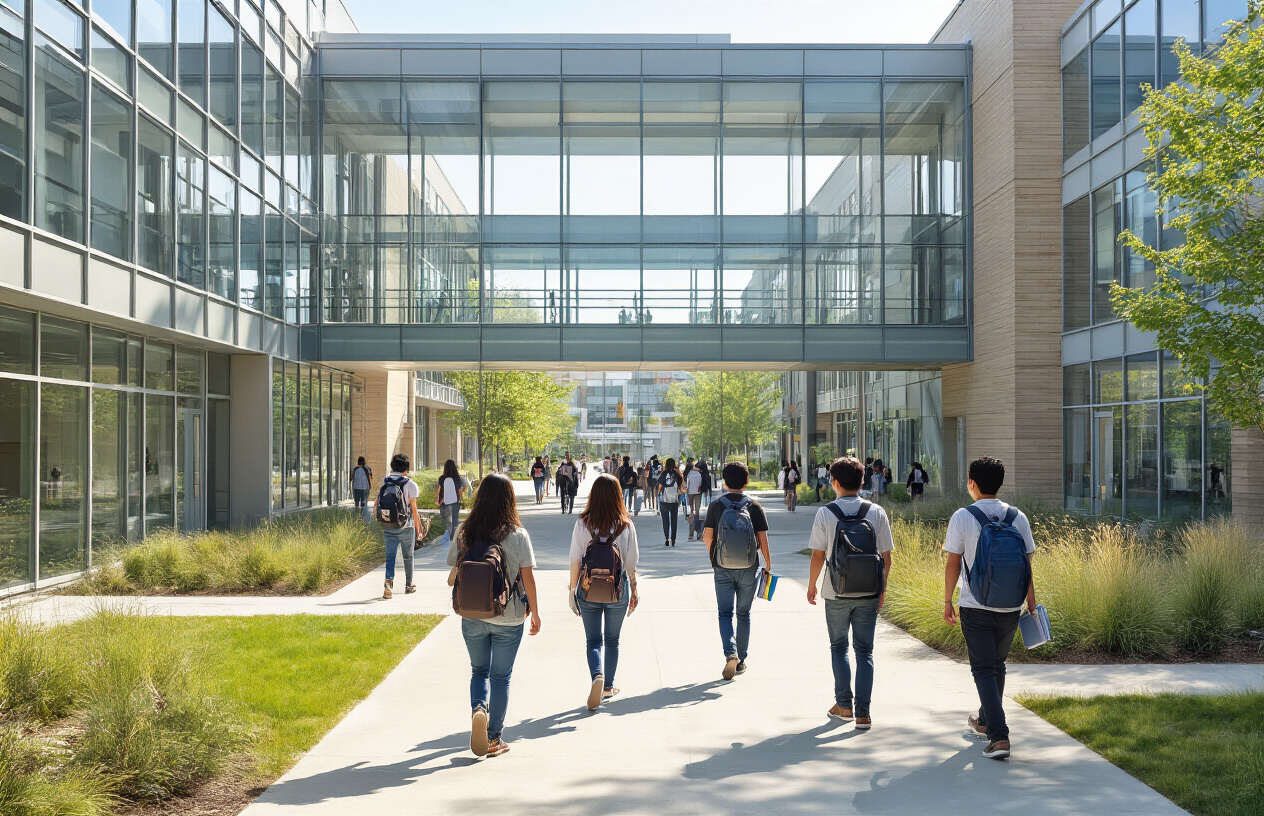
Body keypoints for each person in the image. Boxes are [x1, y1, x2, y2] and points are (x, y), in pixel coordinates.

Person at [943, 456, 1038, 761]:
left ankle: (999, 736)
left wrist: (947, 600)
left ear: (972, 483)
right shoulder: (1017, 517)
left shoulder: (963, 516)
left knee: (983, 668)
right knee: (996, 666)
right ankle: (985, 721)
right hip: (1011, 605)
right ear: (1000, 483)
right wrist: (1031, 602)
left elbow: (953, 562)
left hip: (975, 604)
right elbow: (1026, 563)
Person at [447, 473, 541, 757]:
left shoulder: (465, 530)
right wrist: (535, 613)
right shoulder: (518, 535)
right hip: (509, 616)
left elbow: (452, 577)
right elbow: (529, 580)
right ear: (509, 499)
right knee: (501, 677)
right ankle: (493, 739)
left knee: (479, 671)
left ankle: (479, 707)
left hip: (472, 614)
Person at [806, 456, 895, 730]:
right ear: (862, 481)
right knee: (865, 652)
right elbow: (886, 557)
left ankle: (844, 704)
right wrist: (881, 588)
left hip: (836, 592)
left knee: (839, 647)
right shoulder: (876, 512)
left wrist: (812, 585)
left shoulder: (826, 512)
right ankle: (863, 714)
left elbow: (818, 556)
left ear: (833, 482)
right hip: (869, 591)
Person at [569, 473, 640, 709]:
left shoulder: (582, 523)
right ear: (617, 495)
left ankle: (596, 676)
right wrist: (635, 590)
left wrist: (572, 591)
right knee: (612, 640)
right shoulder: (625, 524)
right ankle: (608, 686)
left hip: (588, 589)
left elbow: (575, 559)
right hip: (617, 590)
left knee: (593, 641)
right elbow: (631, 562)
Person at [702, 461, 771, 680]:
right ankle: (741, 660)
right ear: (746, 480)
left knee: (724, 613)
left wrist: (715, 557)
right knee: (743, 614)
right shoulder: (754, 505)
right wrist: (768, 564)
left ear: (724, 481)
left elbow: (707, 537)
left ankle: (730, 652)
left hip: (722, 566)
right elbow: (762, 539)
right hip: (748, 567)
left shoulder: (716, 505)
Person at [377, 453, 421, 599]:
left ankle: (388, 585)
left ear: (392, 466)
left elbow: (377, 505)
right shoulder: (410, 484)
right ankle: (409, 585)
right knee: (408, 556)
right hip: (405, 526)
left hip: (388, 526)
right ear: (406, 469)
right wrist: (419, 529)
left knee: (390, 557)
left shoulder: (385, 482)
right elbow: (414, 510)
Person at [657, 457, 683, 546]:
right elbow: (681, 482)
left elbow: (659, 486)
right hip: (674, 500)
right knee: (674, 520)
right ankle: (673, 539)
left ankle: (666, 538)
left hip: (664, 500)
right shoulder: (676, 474)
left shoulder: (663, 473)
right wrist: (677, 470)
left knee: (665, 520)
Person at [436, 459, 464, 541]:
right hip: (455, 502)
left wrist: (437, 500)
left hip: (444, 502)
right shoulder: (457, 478)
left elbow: (439, 490)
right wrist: (460, 499)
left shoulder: (442, 478)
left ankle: (447, 536)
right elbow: (459, 491)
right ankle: (453, 537)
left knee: (445, 520)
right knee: (455, 519)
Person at [685, 459, 704, 541]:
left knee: (691, 513)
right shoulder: (699, 474)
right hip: (698, 494)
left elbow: (687, 485)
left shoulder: (689, 474)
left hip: (690, 494)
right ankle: (698, 532)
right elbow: (700, 484)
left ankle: (690, 533)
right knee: (697, 512)